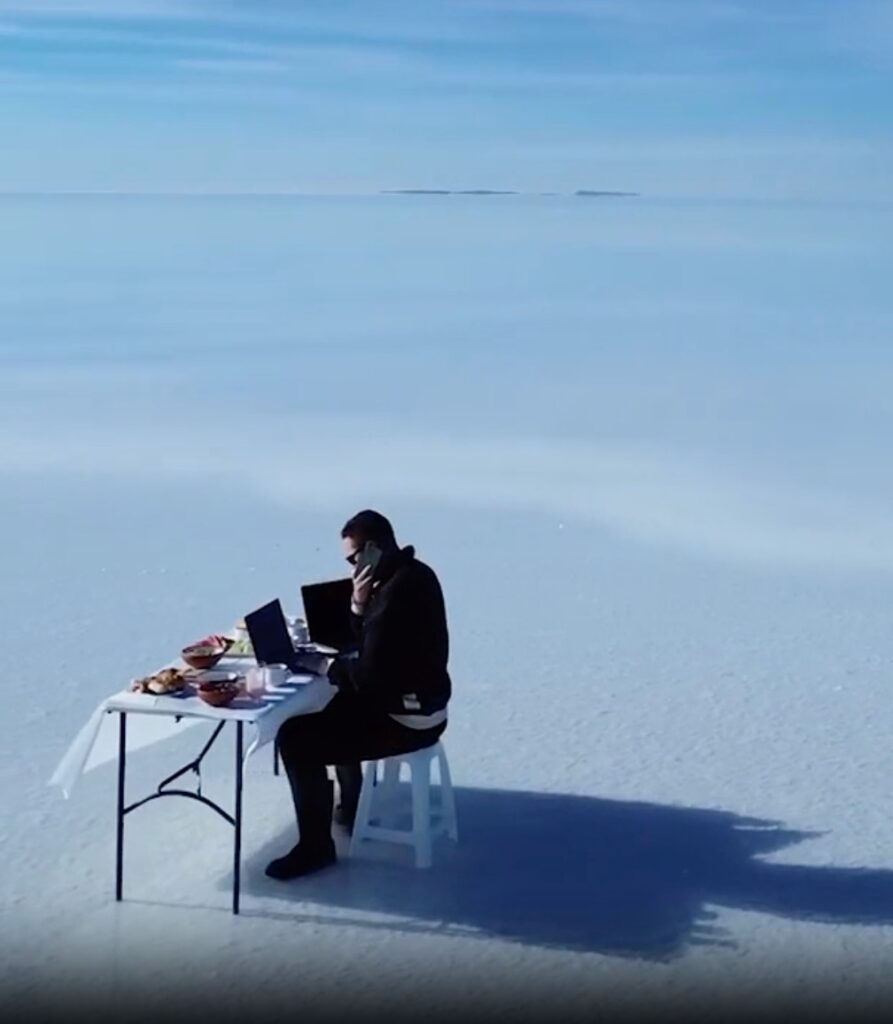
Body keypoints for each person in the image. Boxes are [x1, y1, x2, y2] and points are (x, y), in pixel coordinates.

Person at [266, 509, 451, 880]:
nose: (351, 569)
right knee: (334, 703)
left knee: (296, 739)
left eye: (353, 559)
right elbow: (370, 646)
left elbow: (368, 675)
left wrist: (324, 668)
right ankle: (350, 807)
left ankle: (316, 848)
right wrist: (357, 605)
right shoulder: (413, 573)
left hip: (409, 718)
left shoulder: (397, 593)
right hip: (424, 704)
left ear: (371, 550)